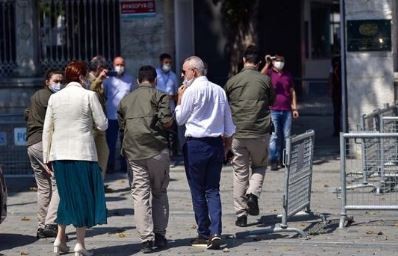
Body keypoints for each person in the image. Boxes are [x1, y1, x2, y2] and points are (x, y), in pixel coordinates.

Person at [42, 60, 108, 256]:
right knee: (83, 197)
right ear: (81, 76)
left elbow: (47, 129)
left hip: (59, 154)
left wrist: (47, 157)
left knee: (66, 196)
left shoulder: (55, 98)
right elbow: (103, 124)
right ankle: (80, 243)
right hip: (83, 153)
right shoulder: (89, 96)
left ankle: (59, 239)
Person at [175, 56, 235, 250]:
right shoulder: (219, 90)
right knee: (213, 190)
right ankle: (216, 231)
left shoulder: (191, 91)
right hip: (215, 144)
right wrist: (227, 147)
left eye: (184, 72)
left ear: (194, 71)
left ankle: (203, 232)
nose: (183, 75)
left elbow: (180, 119)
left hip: (196, 145)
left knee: (197, 190)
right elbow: (228, 125)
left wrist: (179, 100)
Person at [118, 65, 173, 253]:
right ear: (155, 80)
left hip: (133, 152)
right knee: (159, 193)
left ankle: (146, 240)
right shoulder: (160, 96)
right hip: (157, 150)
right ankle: (160, 235)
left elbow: (121, 126)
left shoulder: (125, 100)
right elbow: (167, 122)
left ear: (137, 81)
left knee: (140, 195)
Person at [225, 45, 275, 227]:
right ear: (259, 62)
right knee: (260, 166)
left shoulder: (232, 81)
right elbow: (272, 100)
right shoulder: (265, 80)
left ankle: (241, 215)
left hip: (237, 133)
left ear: (243, 60)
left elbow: (225, 103)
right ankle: (253, 194)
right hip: (260, 133)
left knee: (239, 173)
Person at [25, 69, 63, 239]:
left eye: (61, 81)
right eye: (56, 81)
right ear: (47, 81)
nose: (59, 84)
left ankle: (42, 226)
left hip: (32, 144)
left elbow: (26, 113)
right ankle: (51, 223)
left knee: (43, 187)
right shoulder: (51, 98)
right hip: (43, 144)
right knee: (58, 183)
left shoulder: (36, 96)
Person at [261, 54, 299, 171]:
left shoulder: (287, 75)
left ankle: (284, 159)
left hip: (287, 110)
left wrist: (294, 108)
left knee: (286, 136)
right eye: (277, 61)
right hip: (273, 110)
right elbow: (259, 77)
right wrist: (267, 63)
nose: (280, 63)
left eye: (282, 61)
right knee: (275, 136)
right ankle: (273, 160)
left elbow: (292, 91)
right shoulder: (269, 73)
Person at [104, 56, 135, 173]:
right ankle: (110, 165)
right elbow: (105, 95)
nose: (120, 67)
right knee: (110, 143)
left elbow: (132, 95)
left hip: (125, 116)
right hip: (111, 116)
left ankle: (124, 166)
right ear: (113, 65)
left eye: (122, 64)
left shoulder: (130, 79)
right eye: (117, 64)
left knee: (125, 143)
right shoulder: (107, 80)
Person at [88, 55, 110, 178]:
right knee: (93, 156)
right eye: (103, 67)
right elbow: (88, 92)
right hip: (91, 125)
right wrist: (98, 80)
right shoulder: (88, 78)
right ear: (99, 67)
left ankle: (99, 181)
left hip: (100, 124)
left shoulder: (99, 80)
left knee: (103, 153)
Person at [155, 53, 179, 160]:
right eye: (166, 62)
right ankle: (161, 155)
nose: (168, 64)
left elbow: (177, 93)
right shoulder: (155, 74)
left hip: (171, 108)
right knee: (161, 133)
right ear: (161, 62)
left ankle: (172, 155)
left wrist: (172, 97)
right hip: (158, 108)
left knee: (172, 134)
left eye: (169, 63)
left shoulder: (173, 76)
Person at [329, 55, 341, 136]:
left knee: (336, 112)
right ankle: (337, 130)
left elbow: (330, 79)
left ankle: (337, 130)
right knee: (336, 112)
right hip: (337, 92)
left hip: (337, 92)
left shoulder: (333, 68)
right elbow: (330, 80)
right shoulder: (333, 68)